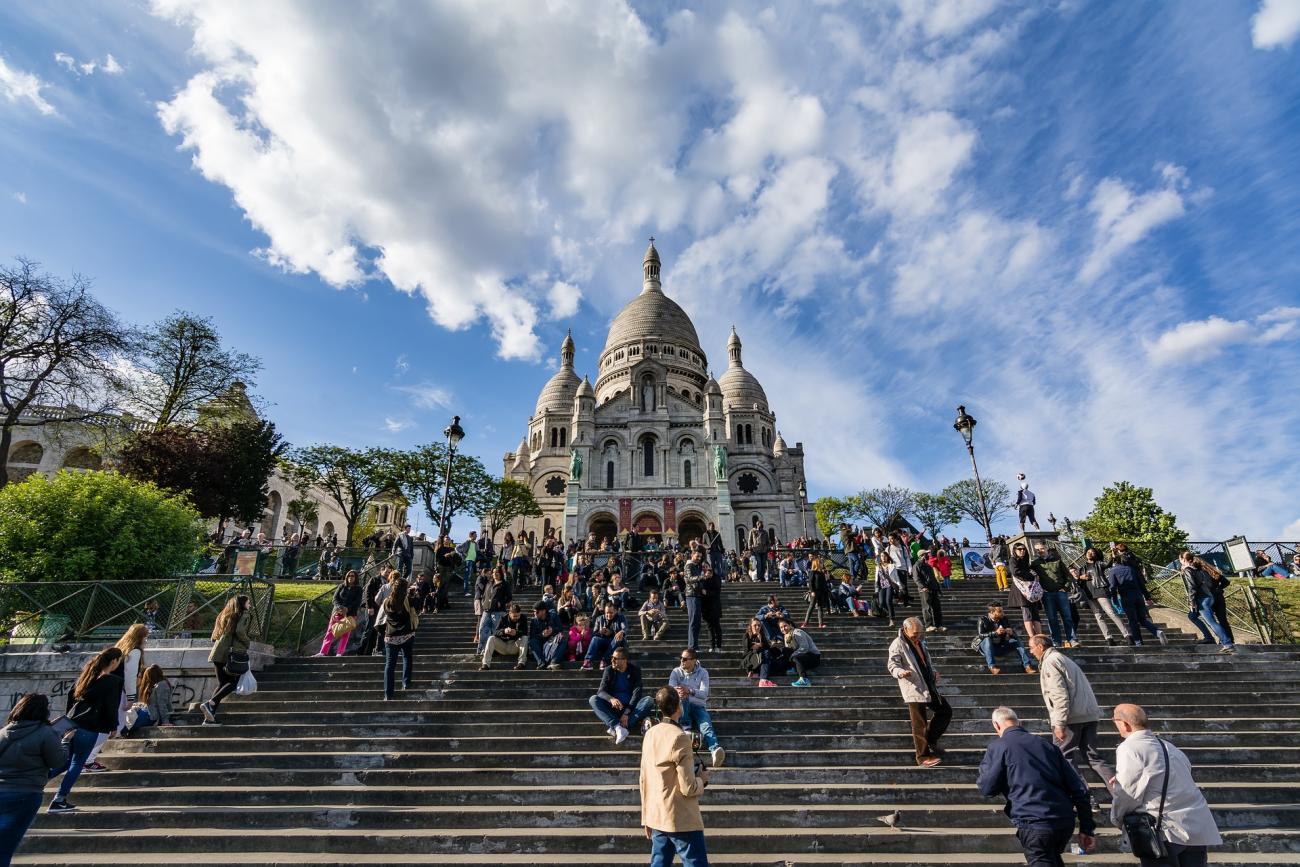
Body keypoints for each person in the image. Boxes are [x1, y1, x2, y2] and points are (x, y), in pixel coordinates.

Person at [977, 706, 1096, 867]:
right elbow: (1078, 789)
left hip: (1034, 822)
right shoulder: (1046, 745)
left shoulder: (999, 746)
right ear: (1019, 722)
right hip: (1063, 821)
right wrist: (1087, 828)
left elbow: (987, 788)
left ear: (996, 725)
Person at [1109, 703, 1222, 867]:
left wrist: (1117, 819)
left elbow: (1127, 792)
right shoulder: (1169, 747)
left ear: (1124, 724)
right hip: (1195, 825)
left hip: (1164, 830)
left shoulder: (1130, 747)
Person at [1029, 634, 1113, 807]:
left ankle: (1085, 798)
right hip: (1088, 714)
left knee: (1063, 756)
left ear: (1040, 646)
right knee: (1093, 757)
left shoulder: (1051, 662)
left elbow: (1059, 694)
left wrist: (1059, 723)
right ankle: (1120, 793)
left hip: (1071, 718)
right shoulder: (1064, 659)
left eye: (1031, 647)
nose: (1030, 652)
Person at [640, 686, 711, 867]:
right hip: (681, 818)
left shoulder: (650, 734)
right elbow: (688, 787)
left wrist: (646, 817)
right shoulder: (680, 737)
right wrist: (702, 779)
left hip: (657, 815)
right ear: (679, 706)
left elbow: (644, 779)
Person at [48, 647, 124, 814]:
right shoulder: (112, 681)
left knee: (67, 761)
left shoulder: (85, 678)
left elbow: (70, 699)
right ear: (114, 661)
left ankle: (36, 781)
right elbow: (111, 707)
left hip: (72, 724)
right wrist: (113, 726)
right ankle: (59, 799)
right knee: (77, 762)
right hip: (89, 727)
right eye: (119, 660)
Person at [1, 694, 67, 855]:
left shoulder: (3, 732)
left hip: (2, 790)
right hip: (26, 792)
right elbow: (57, 761)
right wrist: (65, 742)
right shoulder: (46, 733)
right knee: (6, 847)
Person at [887, 617, 950, 767]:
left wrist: (933, 672)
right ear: (905, 630)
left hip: (928, 684)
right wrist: (900, 672)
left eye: (920, 633)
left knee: (945, 711)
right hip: (913, 686)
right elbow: (892, 664)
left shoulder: (920, 642)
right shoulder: (898, 644)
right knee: (919, 723)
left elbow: (926, 662)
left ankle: (931, 740)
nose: (918, 636)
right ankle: (922, 757)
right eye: (915, 633)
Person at [669, 648, 725, 768]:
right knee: (682, 696)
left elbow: (704, 694)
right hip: (682, 706)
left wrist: (689, 690)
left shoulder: (703, 673)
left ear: (694, 660)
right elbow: (670, 690)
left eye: (685, 659)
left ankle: (715, 750)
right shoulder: (676, 672)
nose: (682, 661)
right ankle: (686, 725)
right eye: (681, 658)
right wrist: (680, 691)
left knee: (706, 725)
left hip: (698, 706)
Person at [200, 595, 251, 724]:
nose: (250, 605)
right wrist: (247, 642)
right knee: (233, 682)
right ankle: (210, 703)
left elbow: (214, 635)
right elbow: (240, 631)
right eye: (248, 603)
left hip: (217, 652)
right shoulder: (243, 614)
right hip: (230, 653)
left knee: (222, 683)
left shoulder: (224, 614)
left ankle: (209, 716)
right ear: (242, 604)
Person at [589, 647, 655, 745]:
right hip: (614, 708)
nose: (612, 660)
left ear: (624, 660)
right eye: (612, 657)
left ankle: (619, 727)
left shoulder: (634, 670)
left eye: (615, 658)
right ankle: (617, 726)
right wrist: (611, 699)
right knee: (593, 699)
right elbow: (601, 691)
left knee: (649, 700)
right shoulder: (609, 670)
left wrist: (627, 713)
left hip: (630, 709)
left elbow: (637, 693)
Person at [1071, 547, 1131, 646]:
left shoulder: (1099, 563)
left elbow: (1108, 564)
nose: (1090, 553)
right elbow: (1079, 582)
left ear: (1095, 554)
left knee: (1111, 612)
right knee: (1098, 616)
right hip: (1090, 593)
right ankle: (1108, 638)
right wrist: (1080, 577)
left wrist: (1112, 556)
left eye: (1092, 552)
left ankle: (1127, 635)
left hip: (1101, 590)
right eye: (1088, 552)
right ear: (1085, 554)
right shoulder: (1082, 568)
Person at [1178, 551, 1235, 653]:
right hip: (1210, 597)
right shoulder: (1200, 569)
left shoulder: (1188, 570)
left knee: (1211, 622)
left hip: (1202, 598)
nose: (1180, 562)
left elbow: (1192, 587)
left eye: (1180, 559)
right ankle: (1218, 639)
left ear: (1183, 559)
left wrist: (1192, 602)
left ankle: (1227, 643)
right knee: (1199, 617)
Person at [1108, 550, 1167, 647]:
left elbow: (1112, 587)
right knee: (1142, 619)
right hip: (1138, 595)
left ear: (1113, 562)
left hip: (1126, 596)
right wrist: (1147, 597)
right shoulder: (1131, 569)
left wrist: (1114, 600)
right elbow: (1141, 584)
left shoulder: (1113, 571)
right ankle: (1157, 631)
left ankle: (1138, 642)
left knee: (1132, 620)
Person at [1031, 542, 1079, 648]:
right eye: (1037, 550)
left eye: (1042, 548)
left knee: (1067, 617)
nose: (1040, 551)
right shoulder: (1035, 564)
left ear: (1046, 548)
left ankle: (1072, 639)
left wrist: (1065, 588)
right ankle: (1056, 641)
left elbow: (1068, 576)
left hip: (1060, 592)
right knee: (1052, 618)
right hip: (1047, 594)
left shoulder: (1057, 560)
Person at [382, 577, 419, 699]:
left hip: (391, 636)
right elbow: (417, 607)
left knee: (389, 665)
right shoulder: (408, 600)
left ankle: (388, 693)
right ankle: (406, 682)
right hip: (407, 635)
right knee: (407, 657)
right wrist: (414, 593)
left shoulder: (387, 601)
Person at [976, 603, 1035, 674]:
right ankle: (992, 666)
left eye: (1002, 611)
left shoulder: (1004, 619)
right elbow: (981, 635)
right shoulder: (982, 619)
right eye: (999, 611)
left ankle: (1027, 666)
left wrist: (1011, 632)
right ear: (992, 612)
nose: (1002, 613)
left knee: (1016, 641)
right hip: (986, 648)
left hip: (1000, 646)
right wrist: (995, 633)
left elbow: (1013, 635)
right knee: (987, 639)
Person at [1007, 542, 1044, 637]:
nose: (1022, 551)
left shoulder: (1025, 560)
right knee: (1027, 613)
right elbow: (1015, 571)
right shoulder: (1013, 559)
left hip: (1030, 588)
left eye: (1024, 549)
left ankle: (1039, 636)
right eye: (1019, 549)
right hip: (1021, 589)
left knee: (1035, 613)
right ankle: (1032, 637)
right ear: (1014, 550)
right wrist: (1031, 575)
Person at [476, 566, 513, 655]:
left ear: (500, 573)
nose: (495, 574)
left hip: (498, 611)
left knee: (496, 631)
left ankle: (494, 650)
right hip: (487, 610)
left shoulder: (504, 584)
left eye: (497, 572)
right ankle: (482, 649)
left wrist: (501, 602)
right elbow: (485, 594)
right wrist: (484, 602)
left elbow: (509, 597)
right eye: (493, 572)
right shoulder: (489, 583)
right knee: (483, 630)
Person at [126, 664, 173, 734]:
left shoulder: (162, 684)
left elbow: (162, 704)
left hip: (151, 715)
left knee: (127, 725)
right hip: (146, 712)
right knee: (125, 719)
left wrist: (165, 721)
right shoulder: (154, 685)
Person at [481, 603, 530, 670]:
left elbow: (525, 632)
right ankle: (486, 664)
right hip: (503, 645)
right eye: (514, 616)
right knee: (491, 638)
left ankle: (521, 663)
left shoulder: (523, 618)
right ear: (509, 613)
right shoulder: (503, 618)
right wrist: (504, 631)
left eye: (518, 616)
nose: (516, 618)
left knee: (525, 638)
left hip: (515, 646)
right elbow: (495, 632)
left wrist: (516, 633)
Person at [742, 617, 788, 689]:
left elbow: (767, 648)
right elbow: (746, 652)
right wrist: (749, 669)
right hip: (752, 660)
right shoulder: (747, 635)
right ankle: (763, 680)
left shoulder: (762, 635)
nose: (757, 627)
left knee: (780, 662)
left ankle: (759, 673)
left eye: (759, 625)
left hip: (762, 660)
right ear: (750, 626)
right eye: (755, 625)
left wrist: (761, 644)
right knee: (766, 652)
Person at [583, 602, 629, 670]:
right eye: (607, 612)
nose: (608, 615)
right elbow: (594, 634)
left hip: (615, 642)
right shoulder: (599, 618)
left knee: (618, 637)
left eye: (611, 612)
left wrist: (617, 632)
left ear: (615, 611)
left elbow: (625, 628)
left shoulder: (621, 617)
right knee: (595, 638)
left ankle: (605, 661)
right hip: (603, 641)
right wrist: (600, 632)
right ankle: (588, 661)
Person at [527, 601, 568, 670]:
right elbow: (532, 635)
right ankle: (541, 662)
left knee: (564, 641)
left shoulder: (553, 615)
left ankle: (554, 662)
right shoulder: (534, 620)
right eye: (534, 611)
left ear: (544, 611)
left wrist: (552, 630)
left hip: (553, 641)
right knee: (532, 641)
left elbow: (560, 628)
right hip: (541, 642)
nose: (534, 613)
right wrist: (542, 635)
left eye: (537, 612)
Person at [779, 618, 820, 687]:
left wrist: (792, 655)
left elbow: (805, 647)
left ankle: (804, 680)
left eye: (785, 626)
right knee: (785, 650)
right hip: (802, 657)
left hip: (813, 657)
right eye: (781, 627)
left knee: (795, 657)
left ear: (790, 625)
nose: (783, 628)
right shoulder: (786, 636)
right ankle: (794, 668)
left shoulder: (797, 632)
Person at [914, 555, 945, 633]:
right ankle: (929, 625)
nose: (928, 556)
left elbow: (933, 578)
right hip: (925, 589)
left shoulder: (928, 565)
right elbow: (916, 578)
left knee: (937, 607)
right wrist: (922, 587)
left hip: (933, 588)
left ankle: (939, 625)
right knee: (926, 607)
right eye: (925, 554)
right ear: (921, 556)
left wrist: (938, 588)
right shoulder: (917, 565)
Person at [801, 553, 831, 629]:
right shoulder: (813, 572)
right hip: (815, 592)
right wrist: (812, 591)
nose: (821, 564)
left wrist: (827, 577)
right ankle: (805, 623)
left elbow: (824, 583)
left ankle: (821, 624)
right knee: (811, 607)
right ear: (816, 564)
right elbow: (810, 582)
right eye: (820, 563)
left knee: (820, 608)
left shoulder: (822, 573)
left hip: (821, 592)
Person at [699, 565, 724, 653]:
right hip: (706, 608)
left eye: (709, 573)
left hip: (714, 607)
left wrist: (707, 592)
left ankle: (719, 646)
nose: (708, 574)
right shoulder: (702, 580)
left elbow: (717, 592)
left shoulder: (716, 579)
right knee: (709, 628)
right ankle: (711, 646)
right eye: (706, 573)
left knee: (716, 627)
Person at [683, 553, 704, 653]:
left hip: (697, 595)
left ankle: (695, 645)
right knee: (693, 621)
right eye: (697, 556)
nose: (699, 558)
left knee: (697, 622)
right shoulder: (689, 566)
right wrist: (701, 577)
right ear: (692, 556)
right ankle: (692, 647)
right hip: (691, 595)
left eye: (700, 556)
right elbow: (688, 579)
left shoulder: (696, 566)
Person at [875, 549, 902, 627]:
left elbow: (896, 577)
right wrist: (876, 589)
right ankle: (891, 613)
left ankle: (892, 620)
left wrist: (899, 587)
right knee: (881, 603)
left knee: (888, 601)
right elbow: (877, 579)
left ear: (887, 557)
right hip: (881, 586)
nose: (883, 557)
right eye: (882, 556)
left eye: (885, 556)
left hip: (890, 586)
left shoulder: (892, 566)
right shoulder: (878, 566)